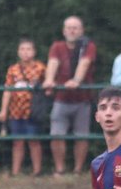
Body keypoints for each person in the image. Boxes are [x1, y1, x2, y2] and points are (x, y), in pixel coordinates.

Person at [42, 16, 97, 175]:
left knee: (82, 136)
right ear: (64, 30)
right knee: (57, 135)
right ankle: (59, 169)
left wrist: (76, 80)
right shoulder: (57, 46)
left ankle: (78, 169)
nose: (72, 30)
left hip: (83, 99)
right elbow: (52, 63)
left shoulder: (88, 46)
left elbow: (85, 63)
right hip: (61, 98)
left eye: (76, 27)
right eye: (69, 27)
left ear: (82, 30)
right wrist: (49, 80)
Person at [0, 37, 46, 176]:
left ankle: (37, 171)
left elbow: (48, 87)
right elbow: (7, 90)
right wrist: (3, 110)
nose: (25, 52)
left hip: (33, 111)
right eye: (22, 49)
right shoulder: (13, 70)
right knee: (17, 142)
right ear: (18, 52)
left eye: (28, 49)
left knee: (33, 141)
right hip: (15, 111)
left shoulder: (41, 68)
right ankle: (15, 172)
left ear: (34, 51)